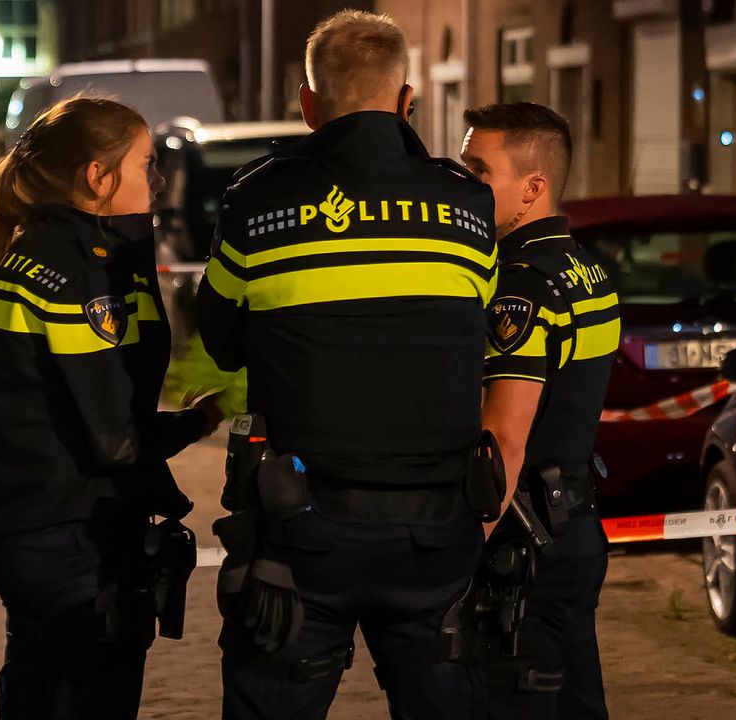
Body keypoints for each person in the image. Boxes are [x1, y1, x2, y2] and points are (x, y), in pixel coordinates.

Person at [197, 11, 499, 719]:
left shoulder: (258, 202)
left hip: (302, 531)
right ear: (407, 100)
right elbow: (478, 333)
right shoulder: (467, 206)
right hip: (436, 531)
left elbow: (221, 342)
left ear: (309, 104)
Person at [0, 96, 222, 720]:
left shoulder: (17, 259)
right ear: (98, 177)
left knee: (34, 685)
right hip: (80, 538)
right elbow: (116, 440)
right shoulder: (81, 276)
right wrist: (202, 419)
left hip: (21, 530)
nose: (158, 181)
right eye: (145, 164)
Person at [461, 102, 620, 719]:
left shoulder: (521, 285)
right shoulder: (589, 269)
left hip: (522, 546)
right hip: (573, 525)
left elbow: (504, 438)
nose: (465, 182)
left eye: (480, 170)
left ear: (533, 188)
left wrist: (460, 555)